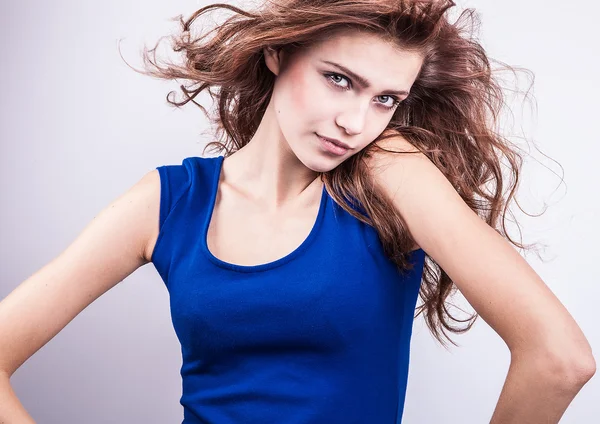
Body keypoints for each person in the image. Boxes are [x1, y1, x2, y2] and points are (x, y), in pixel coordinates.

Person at [0, 0, 595, 423]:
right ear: (280, 53)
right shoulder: (170, 202)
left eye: (385, 98)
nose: (356, 122)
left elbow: (558, 359)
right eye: (339, 79)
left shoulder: (388, 170)